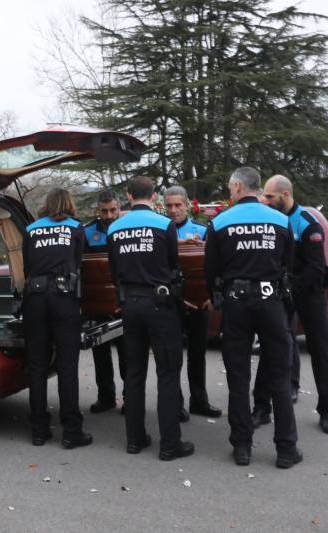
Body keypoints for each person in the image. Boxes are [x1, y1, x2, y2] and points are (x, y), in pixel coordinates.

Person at [205, 167, 301, 469]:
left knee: (238, 377)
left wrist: (219, 296)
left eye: (229, 187)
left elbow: (211, 270)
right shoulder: (281, 220)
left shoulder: (220, 222)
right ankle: (286, 449)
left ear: (237, 187)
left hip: (236, 304)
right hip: (271, 303)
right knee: (280, 377)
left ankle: (242, 446)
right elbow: (289, 264)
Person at [107, 175, 194, 461]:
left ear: (128, 196)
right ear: (154, 196)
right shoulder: (164, 224)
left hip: (130, 305)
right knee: (167, 373)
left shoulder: (114, 228)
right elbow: (173, 265)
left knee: (134, 372)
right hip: (160, 304)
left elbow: (114, 270)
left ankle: (135, 439)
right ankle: (170, 443)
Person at [252, 175, 328, 435]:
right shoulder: (272, 220)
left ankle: (327, 410)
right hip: (282, 292)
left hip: (309, 293)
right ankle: (261, 407)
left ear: (286, 195)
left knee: (319, 350)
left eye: (270, 196)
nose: (265, 200)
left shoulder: (307, 223)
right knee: (271, 346)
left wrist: (292, 288)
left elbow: (316, 267)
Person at [22, 188, 92, 449]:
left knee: (37, 365)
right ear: (69, 204)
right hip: (63, 299)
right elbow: (78, 263)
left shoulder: (31, 229)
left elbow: (27, 267)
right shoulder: (76, 228)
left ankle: (39, 430)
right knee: (66, 365)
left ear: (46, 204)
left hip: (35, 298)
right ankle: (72, 431)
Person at [163, 185, 223, 420]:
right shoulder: (160, 230)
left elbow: (213, 266)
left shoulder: (203, 230)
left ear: (187, 205)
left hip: (198, 303)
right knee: (173, 356)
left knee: (197, 354)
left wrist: (211, 295)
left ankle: (199, 401)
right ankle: (176, 404)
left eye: (178, 205)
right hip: (172, 303)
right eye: (169, 206)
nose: (173, 210)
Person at [83, 190, 127, 413]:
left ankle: (130, 398)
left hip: (124, 301)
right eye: (104, 211)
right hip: (97, 303)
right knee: (100, 354)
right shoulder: (86, 232)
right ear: (97, 211)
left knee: (127, 354)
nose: (109, 215)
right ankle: (106, 397)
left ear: (119, 208)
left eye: (113, 210)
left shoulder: (128, 228)